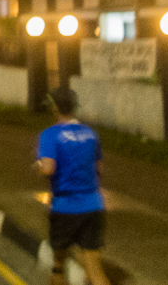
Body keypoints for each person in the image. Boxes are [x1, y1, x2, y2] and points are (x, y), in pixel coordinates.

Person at [36, 88, 109, 285]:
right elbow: (99, 169)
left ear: (55, 108)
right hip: (93, 205)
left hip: (65, 208)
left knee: (58, 266)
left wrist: (39, 166)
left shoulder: (50, 135)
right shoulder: (90, 134)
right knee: (94, 270)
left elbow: (49, 168)